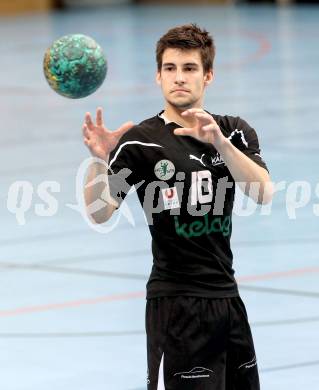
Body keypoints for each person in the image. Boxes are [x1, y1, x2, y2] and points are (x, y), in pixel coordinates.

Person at [82, 24, 273, 390]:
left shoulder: (232, 131)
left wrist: (219, 142)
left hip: (227, 299)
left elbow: (262, 192)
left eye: (189, 68)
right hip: (175, 305)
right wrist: (101, 159)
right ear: (158, 76)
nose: (179, 78)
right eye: (170, 68)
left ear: (208, 75)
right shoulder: (140, 142)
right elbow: (101, 212)